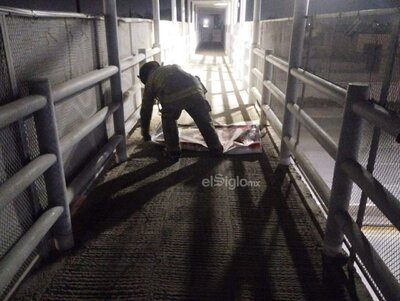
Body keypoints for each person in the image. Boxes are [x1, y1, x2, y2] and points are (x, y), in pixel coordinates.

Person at [138, 61, 223, 161]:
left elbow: (146, 109)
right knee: (204, 121)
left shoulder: (151, 80)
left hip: (172, 97)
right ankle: (216, 148)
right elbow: (195, 79)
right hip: (195, 90)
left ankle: (173, 152)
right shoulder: (172, 67)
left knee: (168, 120)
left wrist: (145, 132)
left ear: (146, 76)